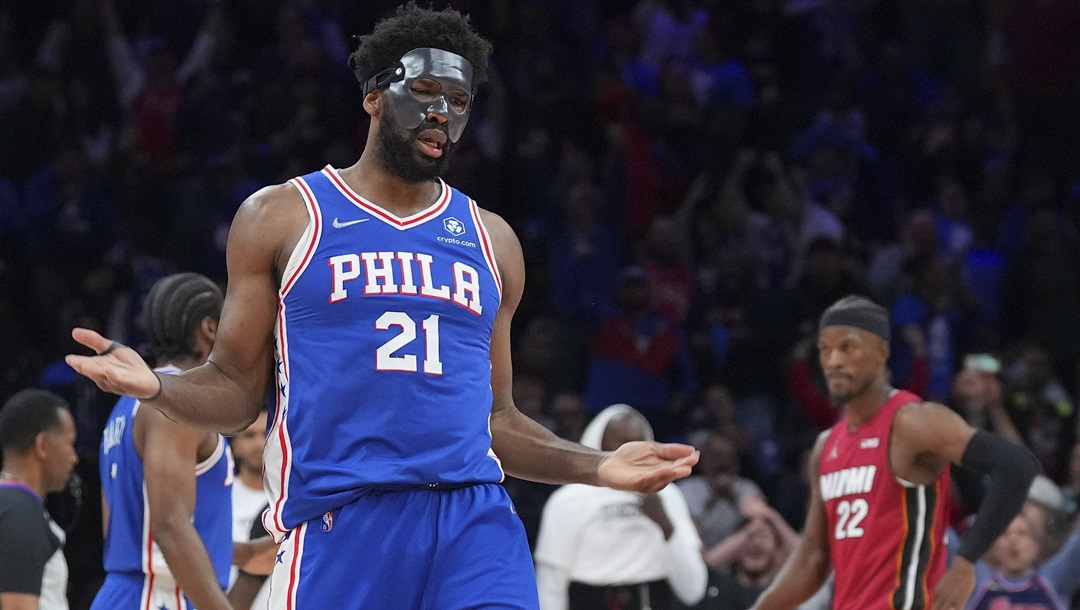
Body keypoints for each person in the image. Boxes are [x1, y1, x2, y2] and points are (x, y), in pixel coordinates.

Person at [66, 4, 700, 609]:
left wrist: (599, 467)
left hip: (473, 523)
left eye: (458, 101)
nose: (443, 112)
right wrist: (158, 386)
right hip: (344, 523)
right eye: (425, 90)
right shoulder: (284, 216)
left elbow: (497, 422)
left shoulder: (493, 241)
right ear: (374, 96)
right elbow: (235, 390)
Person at [751, 295, 1040, 610]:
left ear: (880, 353)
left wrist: (965, 562)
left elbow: (1016, 465)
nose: (833, 360)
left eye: (847, 348)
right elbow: (812, 558)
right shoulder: (826, 447)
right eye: (825, 349)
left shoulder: (913, 421)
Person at [92, 272, 235, 610]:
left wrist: (239, 552)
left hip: (123, 592)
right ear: (210, 328)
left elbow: (121, 529)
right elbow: (169, 527)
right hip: (160, 596)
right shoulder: (176, 404)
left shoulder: (124, 406)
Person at [533, 404, 708, 610]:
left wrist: (665, 525)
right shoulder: (567, 500)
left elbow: (693, 591)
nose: (632, 449)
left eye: (638, 441)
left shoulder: (667, 495)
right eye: (623, 442)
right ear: (598, 441)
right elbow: (550, 585)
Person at [0, 389, 79, 610]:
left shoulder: (10, 505)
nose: (74, 458)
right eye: (70, 443)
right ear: (42, 445)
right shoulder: (20, 513)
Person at [227, 409, 272, 610]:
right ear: (235, 446)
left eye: (265, 434)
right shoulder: (220, 498)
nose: (258, 444)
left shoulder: (292, 503)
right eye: (249, 435)